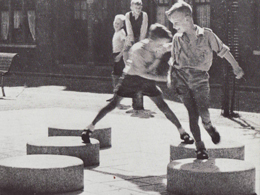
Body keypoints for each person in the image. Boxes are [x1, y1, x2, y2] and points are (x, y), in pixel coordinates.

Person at [82, 23, 194, 146]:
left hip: (145, 78)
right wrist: (166, 79)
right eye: (161, 43)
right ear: (153, 40)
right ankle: (89, 128)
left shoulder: (156, 45)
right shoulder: (138, 50)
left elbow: (172, 47)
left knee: (163, 106)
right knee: (113, 104)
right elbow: (143, 73)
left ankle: (182, 132)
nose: (162, 46)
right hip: (131, 78)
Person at [165, 0, 244, 159]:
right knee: (192, 114)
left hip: (200, 79)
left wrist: (236, 67)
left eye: (176, 23)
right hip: (181, 79)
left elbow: (224, 51)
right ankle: (200, 147)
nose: (174, 27)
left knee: (203, 111)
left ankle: (208, 126)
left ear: (187, 19)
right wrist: (170, 78)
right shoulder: (176, 39)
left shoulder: (207, 35)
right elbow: (173, 61)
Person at [124, 0, 149, 117]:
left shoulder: (144, 15)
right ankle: (133, 102)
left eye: (140, 7)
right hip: (131, 42)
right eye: (136, 7)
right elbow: (129, 31)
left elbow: (143, 30)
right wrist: (133, 45)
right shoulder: (127, 16)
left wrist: (140, 45)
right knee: (131, 71)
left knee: (140, 71)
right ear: (131, 7)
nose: (138, 9)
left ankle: (139, 104)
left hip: (141, 42)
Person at [109, 14, 131, 110]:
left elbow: (126, 45)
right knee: (115, 75)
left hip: (119, 56)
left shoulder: (122, 32)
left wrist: (119, 56)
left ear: (122, 25)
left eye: (118, 23)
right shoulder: (116, 32)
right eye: (115, 23)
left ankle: (117, 100)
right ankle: (115, 97)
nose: (116, 25)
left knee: (117, 76)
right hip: (115, 54)